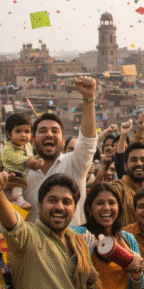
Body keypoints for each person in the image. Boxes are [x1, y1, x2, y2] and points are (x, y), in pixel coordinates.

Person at [25, 76, 98, 225]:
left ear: (63, 141)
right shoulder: (24, 172)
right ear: (33, 140)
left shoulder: (74, 163)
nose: (49, 134)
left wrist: (88, 98)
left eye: (54, 131)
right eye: (43, 131)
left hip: (71, 246)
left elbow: (88, 139)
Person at [1, 113, 42, 211]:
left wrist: (36, 161)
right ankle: (17, 198)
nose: (23, 135)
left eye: (27, 131)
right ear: (9, 134)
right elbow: (17, 159)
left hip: (22, 171)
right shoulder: (8, 149)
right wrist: (31, 163)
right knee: (17, 181)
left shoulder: (27, 146)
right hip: (9, 171)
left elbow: (30, 156)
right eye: (18, 131)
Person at [110, 139, 144, 225]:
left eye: (143, 159)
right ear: (125, 166)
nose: (139, 163)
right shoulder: (118, 188)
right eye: (133, 160)